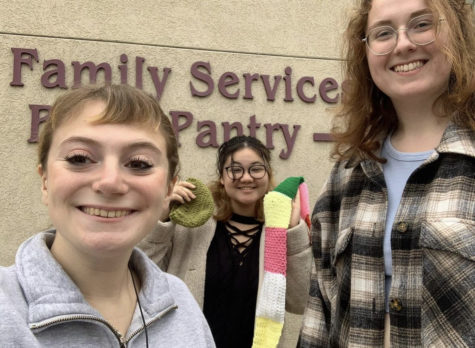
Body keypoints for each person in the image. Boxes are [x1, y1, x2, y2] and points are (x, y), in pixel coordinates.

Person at [299, 0, 475, 346]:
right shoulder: (346, 175)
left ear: (457, 34)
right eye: (383, 33)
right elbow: (318, 313)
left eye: (422, 24)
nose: (403, 44)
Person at [0, 84, 215, 348]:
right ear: (45, 181)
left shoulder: (180, 301)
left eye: (139, 163)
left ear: (169, 189)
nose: (110, 182)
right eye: (79, 158)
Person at [139, 135, 312, 348]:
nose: (246, 177)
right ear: (222, 177)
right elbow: (143, 278)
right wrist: (161, 217)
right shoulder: (192, 225)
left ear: (268, 174)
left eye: (256, 169)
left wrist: (293, 231)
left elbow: (299, 301)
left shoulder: (277, 231)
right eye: (235, 169)